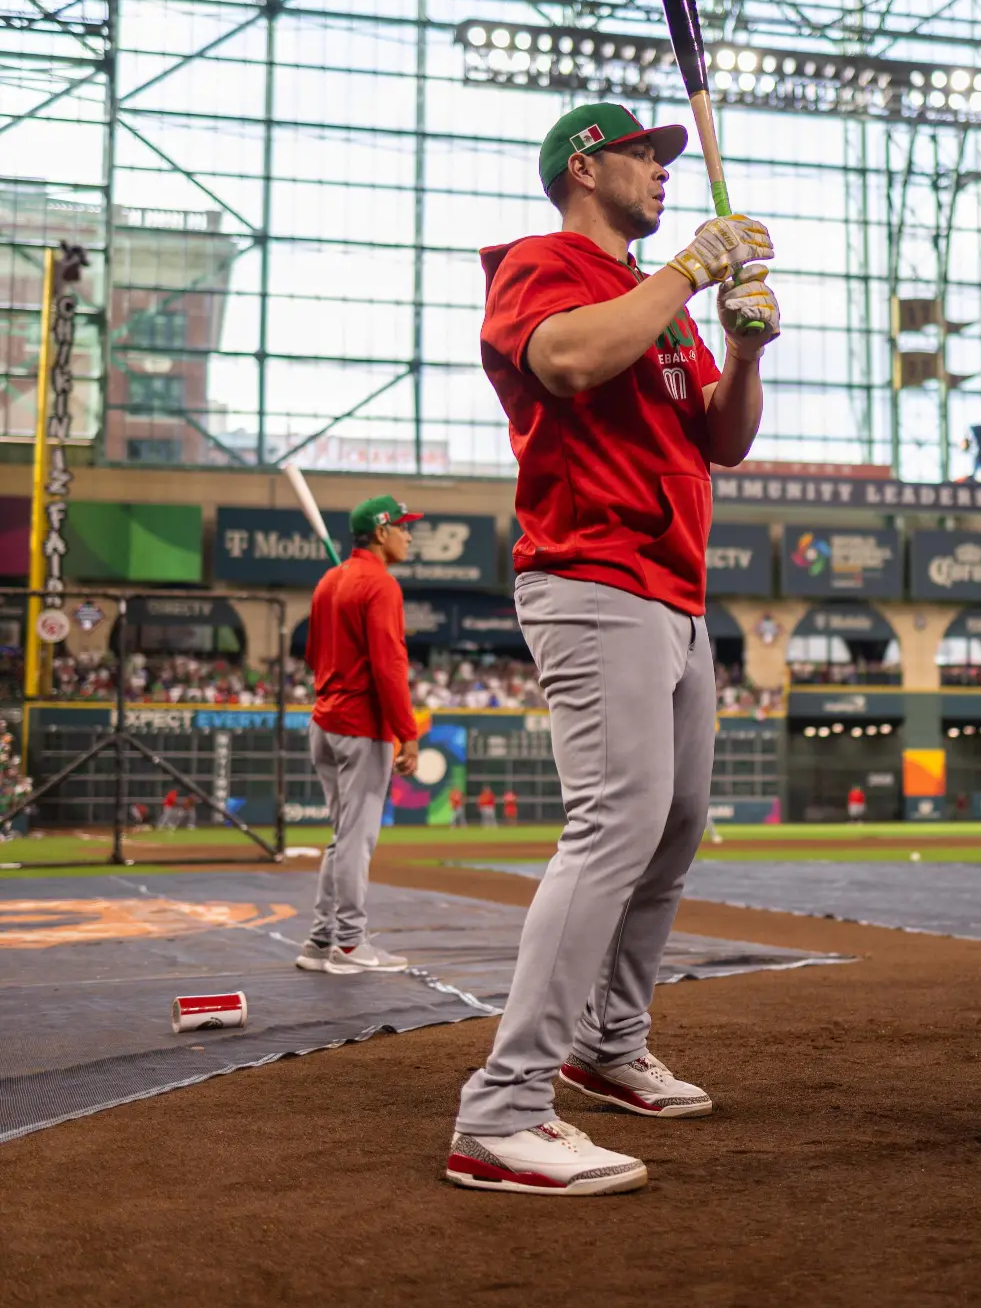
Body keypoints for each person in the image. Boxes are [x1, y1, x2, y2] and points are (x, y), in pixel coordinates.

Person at [447, 99, 779, 1197]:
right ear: (585, 164)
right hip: (592, 572)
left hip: (675, 588)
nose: (662, 170)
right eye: (645, 152)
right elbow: (571, 363)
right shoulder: (543, 264)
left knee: (675, 826)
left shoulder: (667, 308)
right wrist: (689, 269)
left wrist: (739, 339)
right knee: (615, 824)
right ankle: (500, 1110)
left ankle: (607, 1040)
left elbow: (721, 440)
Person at [294, 494, 423, 975]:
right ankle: (350, 943)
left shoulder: (331, 579)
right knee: (355, 841)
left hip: (323, 721)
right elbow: (390, 668)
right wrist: (406, 734)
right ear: (382, 532)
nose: (410, 536)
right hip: (359, 725)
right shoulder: (381, 585)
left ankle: (320, 940)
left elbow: (310, 654)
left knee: (341, 837)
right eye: (404, 528)